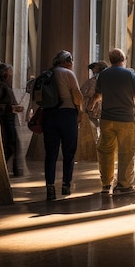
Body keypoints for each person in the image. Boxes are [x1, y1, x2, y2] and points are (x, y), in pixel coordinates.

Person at [89, 48, 135, 194]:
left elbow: (97, 94)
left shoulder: (104, 75)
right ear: (124, 59)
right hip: (126, 119)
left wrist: (91, 105)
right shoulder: (130, 74)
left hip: (107, 119)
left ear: (110, 60)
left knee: (106, 151)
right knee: (127, 151)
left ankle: (106, 183)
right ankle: (124, 184)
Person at [43, 50, 83, 200]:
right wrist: (80, 111)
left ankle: (50, 188)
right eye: (70, 61)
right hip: (67, 114)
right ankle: (66, 185)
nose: (72, 64)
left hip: (49, 115)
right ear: (66, 61)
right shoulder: (68, 74)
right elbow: (77, 95)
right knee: (69, 151)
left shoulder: (47, 74)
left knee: (51, 153)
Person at [0, 62, 25, 176]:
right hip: (4, 118)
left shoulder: (5, 84)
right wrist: (11, 107)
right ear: (4, 74)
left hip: (9, 117)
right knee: (9, 144)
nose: (11, 76)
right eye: (10, 74)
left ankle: (13, 169)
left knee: (14, 143)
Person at [81, 60, 108, 143]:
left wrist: (89, 107)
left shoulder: (93, 82)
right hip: (102, 109)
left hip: (94, 109)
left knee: (94, 131)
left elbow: (87, 94)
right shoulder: (107, 81)